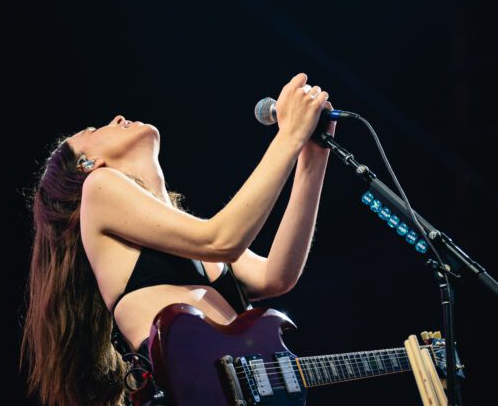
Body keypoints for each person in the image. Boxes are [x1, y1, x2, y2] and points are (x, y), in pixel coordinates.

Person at [20, 73, 334, 406]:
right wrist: (288, 136)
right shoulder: (97, 187)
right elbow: (223, 240)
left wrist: (312, 155)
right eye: (94, 132)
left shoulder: (190, 234)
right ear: (88, 164)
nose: (116, 119)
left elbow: (276, 275)